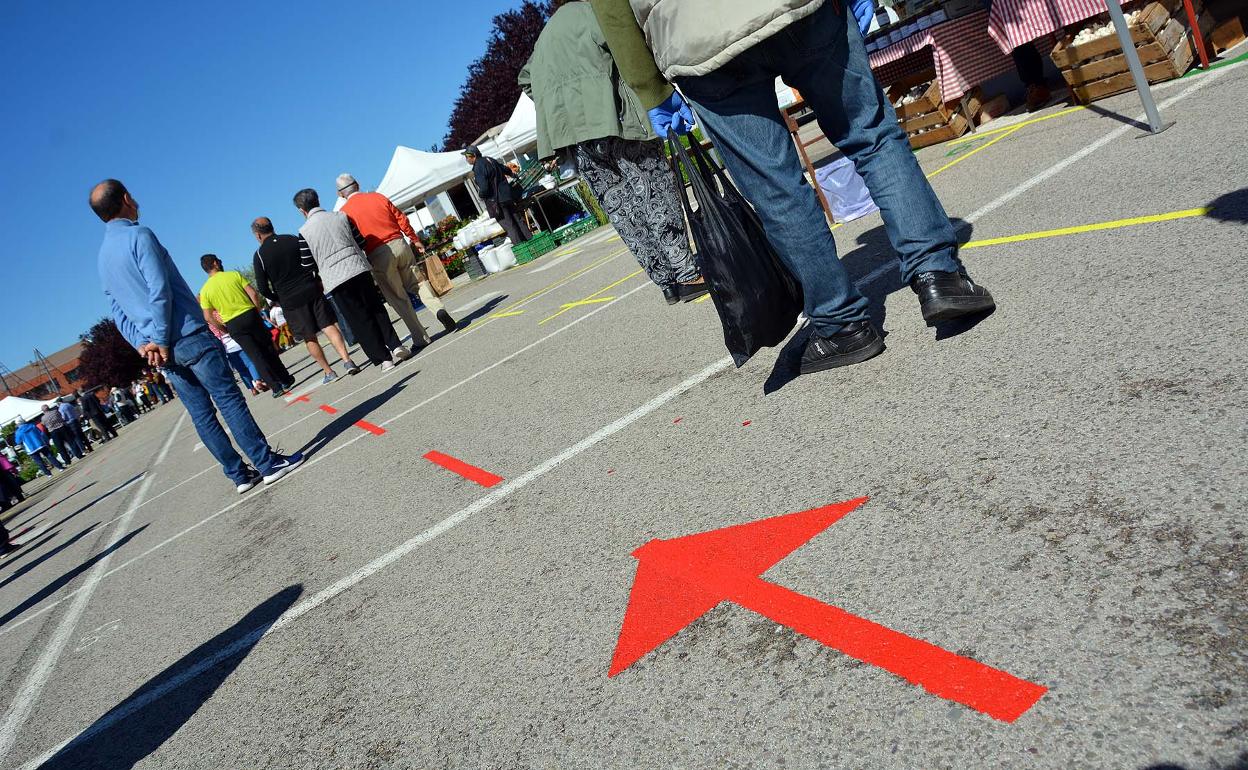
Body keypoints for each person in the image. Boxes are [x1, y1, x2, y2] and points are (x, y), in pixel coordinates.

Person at [590, 0, 996, 374]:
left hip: (695, 39)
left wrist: (650, 88)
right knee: (871, 137)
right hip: (798, 9)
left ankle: (841, 325)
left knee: (776, 188)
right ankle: (939, 277)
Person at [90, 178, 303, 492]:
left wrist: (142, 344)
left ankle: (239, 475)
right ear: (125, 198)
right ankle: (266, 462)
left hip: (160, 349)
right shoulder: (139, 235)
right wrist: (161, 338)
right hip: (184, 335)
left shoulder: (103, 257)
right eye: (131, 195)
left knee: (202, 415)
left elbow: (117, 310)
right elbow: (159, 290)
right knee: (228, 401)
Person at [519, 0, 709, 305]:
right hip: (617, 119)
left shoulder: (546, 34)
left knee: (621, 208)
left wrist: (564, 99)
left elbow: (526, 80)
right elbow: (628, 48)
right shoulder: (593, 12)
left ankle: (666, 283)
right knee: (654, 191)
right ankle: (687, 273)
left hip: (577, 136)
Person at [293, 188, 409, 372]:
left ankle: (383, 359)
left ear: (301, 210)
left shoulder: (304, 232)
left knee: (359, 320)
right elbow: (361, 241)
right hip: (358, 268)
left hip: (335, 278)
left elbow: (307, 265)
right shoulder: (341, 216)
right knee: (376, 308)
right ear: (318, 200)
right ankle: (395, 345)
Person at [336, 174, 459, 346]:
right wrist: (414, 239)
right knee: (418, 282)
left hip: (377, 252)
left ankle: (420, 337)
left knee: (398, 297)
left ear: (340, 194)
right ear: (357, 184)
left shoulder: (344, 213)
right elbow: (401, 217)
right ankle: (438, 309)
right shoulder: (377, 197)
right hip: (399, 243)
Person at [250, 216, 359, 385]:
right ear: (272, 226)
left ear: (257, 235)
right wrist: (316, 280)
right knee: (328, 325)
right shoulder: (293, 239)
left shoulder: (259, 255)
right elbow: (312, 260)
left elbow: (263, 287)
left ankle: (329, 371)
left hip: (289, 300)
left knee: (309, 337)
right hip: (311, 289)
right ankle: (347, 360)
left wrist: (276, 298)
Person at [198, 254, 295, 398]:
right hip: (249, 314)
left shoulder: (205, 290)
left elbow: (208, 317)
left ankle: (275, 388)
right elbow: (253, 293)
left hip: (233, 324)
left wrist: (224, 329)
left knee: (255, 356)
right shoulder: (233, 275)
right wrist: (256, 311)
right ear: (215, 263)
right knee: (267, 348)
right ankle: (285, 379)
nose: (221, 262)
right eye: (219, 261)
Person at [462, 146, 533, 246]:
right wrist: (512, 174)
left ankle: (522, 247)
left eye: (467, 157)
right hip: (507, 195)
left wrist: (481, 195)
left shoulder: (478, 167)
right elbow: (505, 169)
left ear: (472, 156)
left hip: (496, 201)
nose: (466, 160)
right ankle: (531, 241)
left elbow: (484, 188)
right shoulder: (489, 159)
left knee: (508, 225)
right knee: (517, 219)